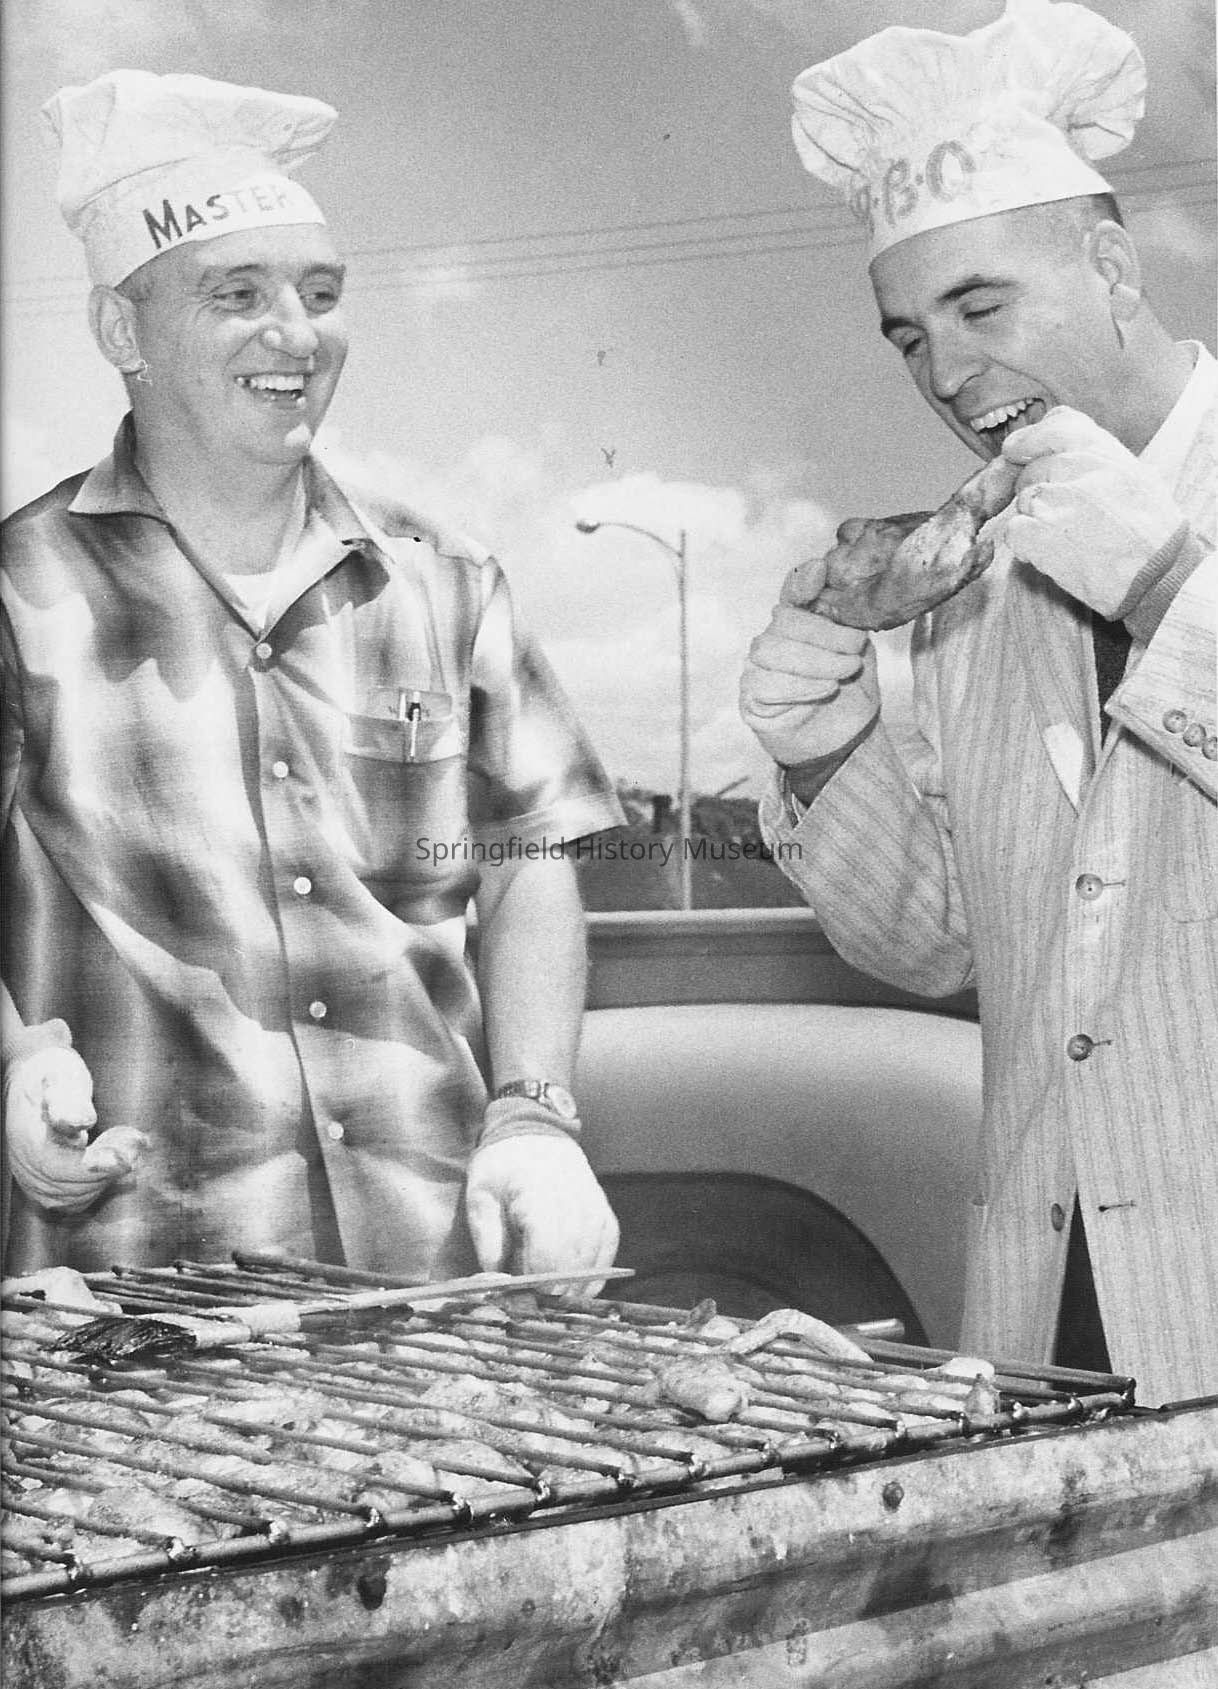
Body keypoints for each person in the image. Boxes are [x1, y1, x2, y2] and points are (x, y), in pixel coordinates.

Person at [1, 70, 625, 1286]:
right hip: (131, 1285)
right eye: (237, 294)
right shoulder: (20, 587)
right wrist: (16, 1059)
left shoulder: (449, 585)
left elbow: (527, 863)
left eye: (321, 294)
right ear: (122, 331)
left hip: (429, 1274)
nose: (297, 334)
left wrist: (535, 1115)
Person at [740, 0, 1216, 1409]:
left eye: (979, 307)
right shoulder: (968, 569)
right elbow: (936, 942)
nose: (946, 377)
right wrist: (829, 754)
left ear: (1113, 268)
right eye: (907, 336)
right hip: (1046, 1319)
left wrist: (1170, 592)